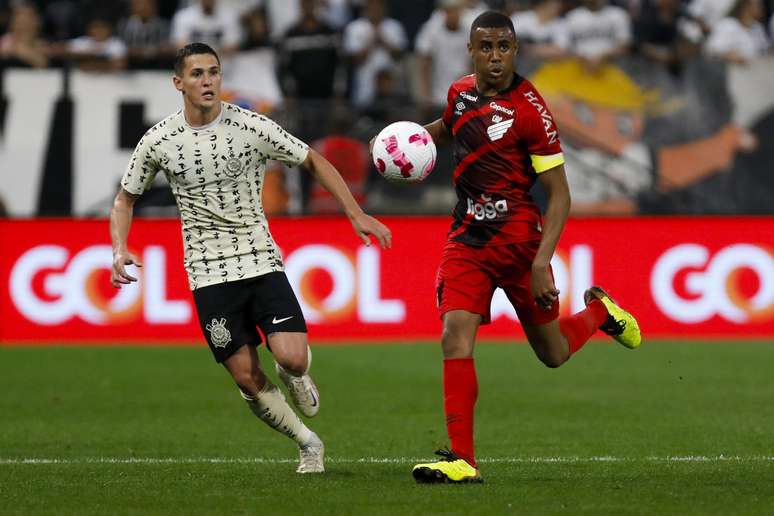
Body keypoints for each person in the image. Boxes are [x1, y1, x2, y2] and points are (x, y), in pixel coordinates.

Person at [109, 42, 391, 474]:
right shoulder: (160, 140)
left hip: (259, 259)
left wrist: (354, 212)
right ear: (178, 83)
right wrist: (119, 248)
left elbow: (312, 158)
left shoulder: (252, 126)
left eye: (214, 72)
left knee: (292, 358)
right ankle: (307, 442)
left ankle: (296, 376)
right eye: (198, 73)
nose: (207, 81)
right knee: (245, 376)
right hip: (207, 274)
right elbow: (125, 199)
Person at [401, 11, 642, 483]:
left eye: (504, 47)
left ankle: (600, 314)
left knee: (552, 353)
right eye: (486, 47)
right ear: (471, 50)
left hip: (518, 245)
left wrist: (541, 262)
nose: (495, 57)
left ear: (515, 50)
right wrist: (406, 139)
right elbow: (451, 124)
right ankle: (462, 461)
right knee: (454, 335)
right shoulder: (459, 91)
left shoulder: (531, 110)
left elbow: (560, 194)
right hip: (466, 239)